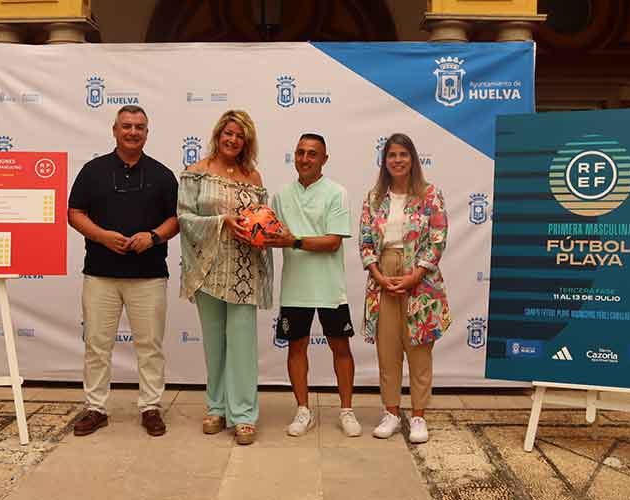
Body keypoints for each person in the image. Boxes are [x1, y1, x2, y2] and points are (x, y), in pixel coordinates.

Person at [67, 105, 179, 437]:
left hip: (149, 275)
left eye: (139, 127)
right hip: (100, 275)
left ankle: (150, 407)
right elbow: (74, 212)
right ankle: (95, 407)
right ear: (114, 130)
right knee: (97, 345)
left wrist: (153, 236)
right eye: (126, 126)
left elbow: (176, 220)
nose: (133, 132)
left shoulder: (162, 174)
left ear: (147, 133)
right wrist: (101, 236)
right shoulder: (92, 170)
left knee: (150, 346)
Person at [177, 109, 272, 446]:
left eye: (239, 135)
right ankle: (216, 408)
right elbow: (184, 219)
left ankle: (244, 415)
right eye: (228, 133)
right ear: (218, 134)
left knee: (243, 346)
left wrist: (262, 229)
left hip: (244, 271)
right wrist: (221, 221)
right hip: (208, 271)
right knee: (215, 344)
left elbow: (263, 219)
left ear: (247, 141)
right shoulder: (196, 174)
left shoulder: (254, 177)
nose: (232, 140)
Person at [263, 133, 361, 438]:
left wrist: (293, 240)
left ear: (324, 159)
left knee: (340, 348)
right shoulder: (280, 195)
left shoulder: (336, 193)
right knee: (296, 347)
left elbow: (332, 242)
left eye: (312, 154)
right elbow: (270, 236)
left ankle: (346, 410)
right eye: (300, 153)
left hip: (330, 288)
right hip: (295, 287)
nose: (305, 159)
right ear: (294, 155)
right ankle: (303, 410)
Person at [358, 132, 450, 443]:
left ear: (413, 159)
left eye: (403, 155)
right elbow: (365, 242)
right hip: (383, 277)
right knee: (388, 349)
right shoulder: (373, 198)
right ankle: (392, 412)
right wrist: (378, 275)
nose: (397, 160)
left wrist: (414, 276)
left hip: (420, 280)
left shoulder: (430, 195)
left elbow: (438, 240)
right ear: (384, 161)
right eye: (392, 155)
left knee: (419, 350)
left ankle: (419, 415)